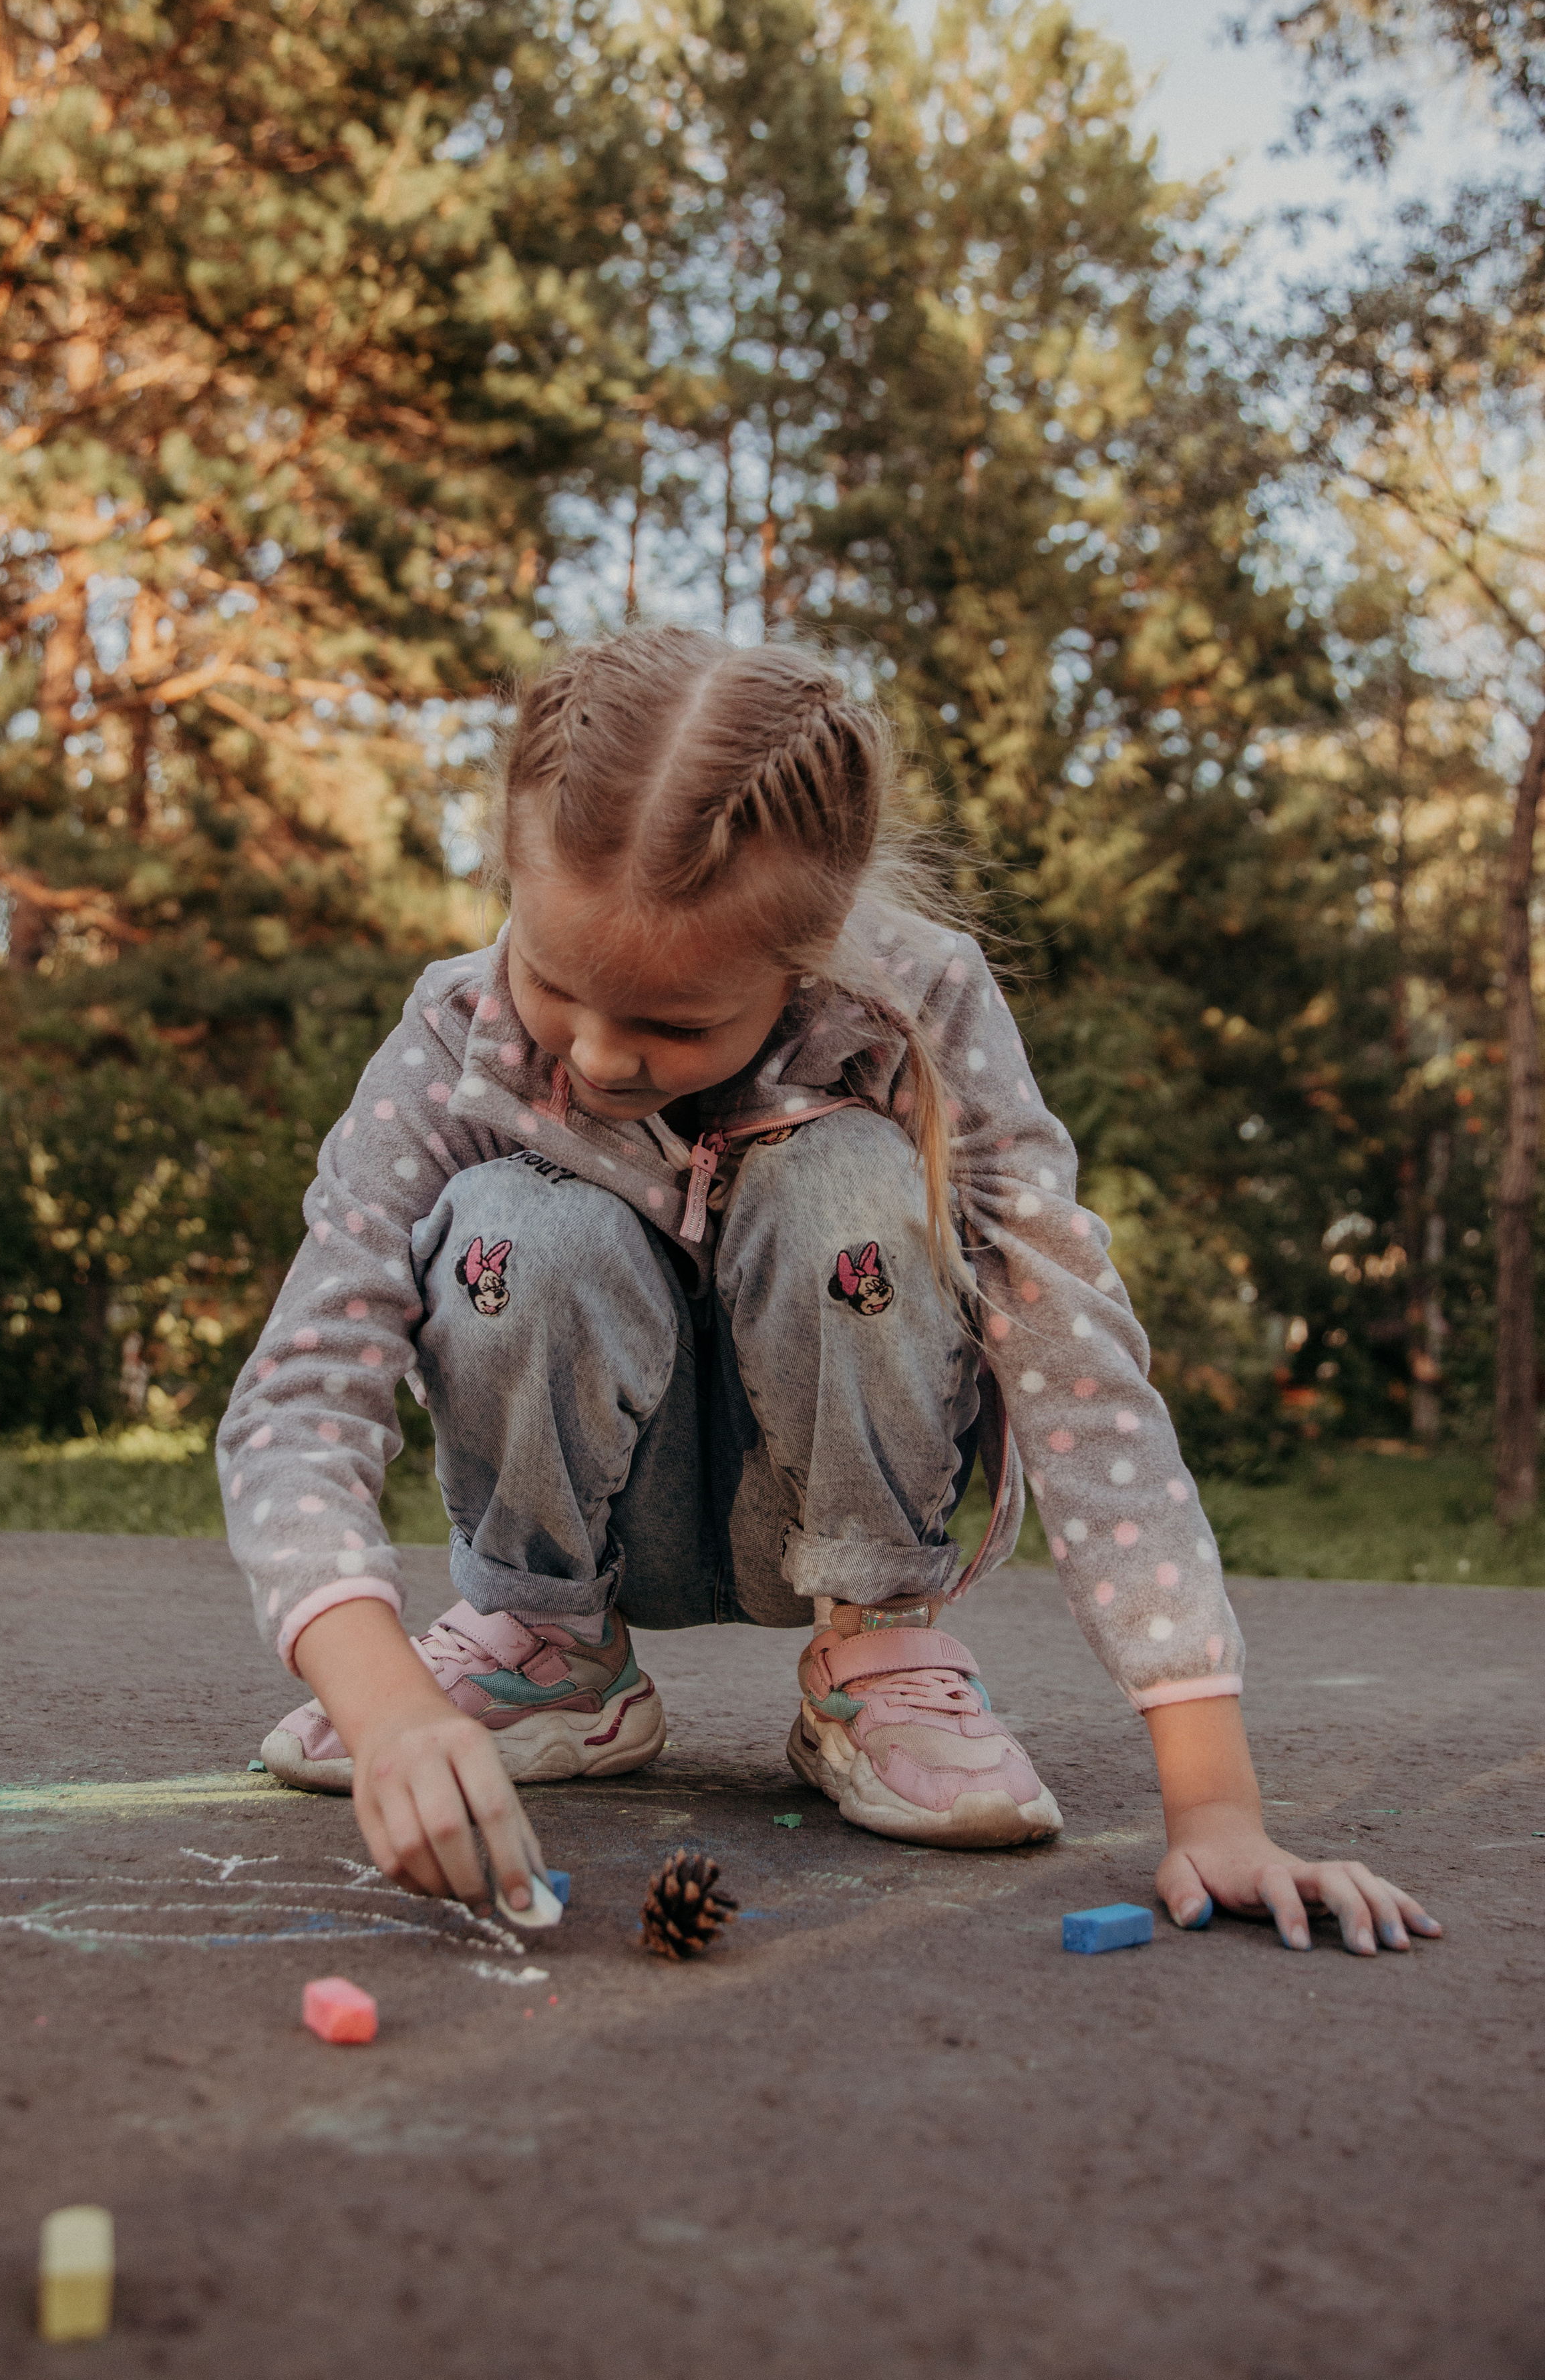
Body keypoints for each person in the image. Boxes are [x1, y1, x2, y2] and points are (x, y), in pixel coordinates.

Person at [217, 628, 1438, 1956]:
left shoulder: (921, 1011)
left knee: (848, 1177)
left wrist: (1216, 1809)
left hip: (829, 1499)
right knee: (524, 1222)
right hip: (596, 1513)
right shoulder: (456, 1035)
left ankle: (876, 1655)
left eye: (675, 1022)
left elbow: (1077, 1371)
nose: (600, 1057)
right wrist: (384, 1700)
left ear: (805, 954)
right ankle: (544, 1651)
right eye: (554, 984)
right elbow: (303, 1385)